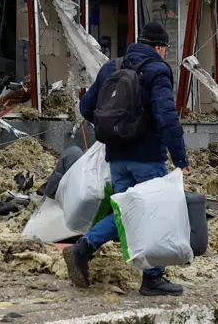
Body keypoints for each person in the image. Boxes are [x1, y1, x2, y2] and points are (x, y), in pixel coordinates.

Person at [65, 20, 188, 297]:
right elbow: (167, 117)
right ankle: (153, 278)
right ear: (159, 47)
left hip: (117, 156)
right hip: (148, 158)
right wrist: (180, 158)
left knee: (125, 213)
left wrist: (117, 130)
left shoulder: (112, 67)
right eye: (166, 49)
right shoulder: (157, 70)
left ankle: (83, 248)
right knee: (152, 214)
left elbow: (86, 107)